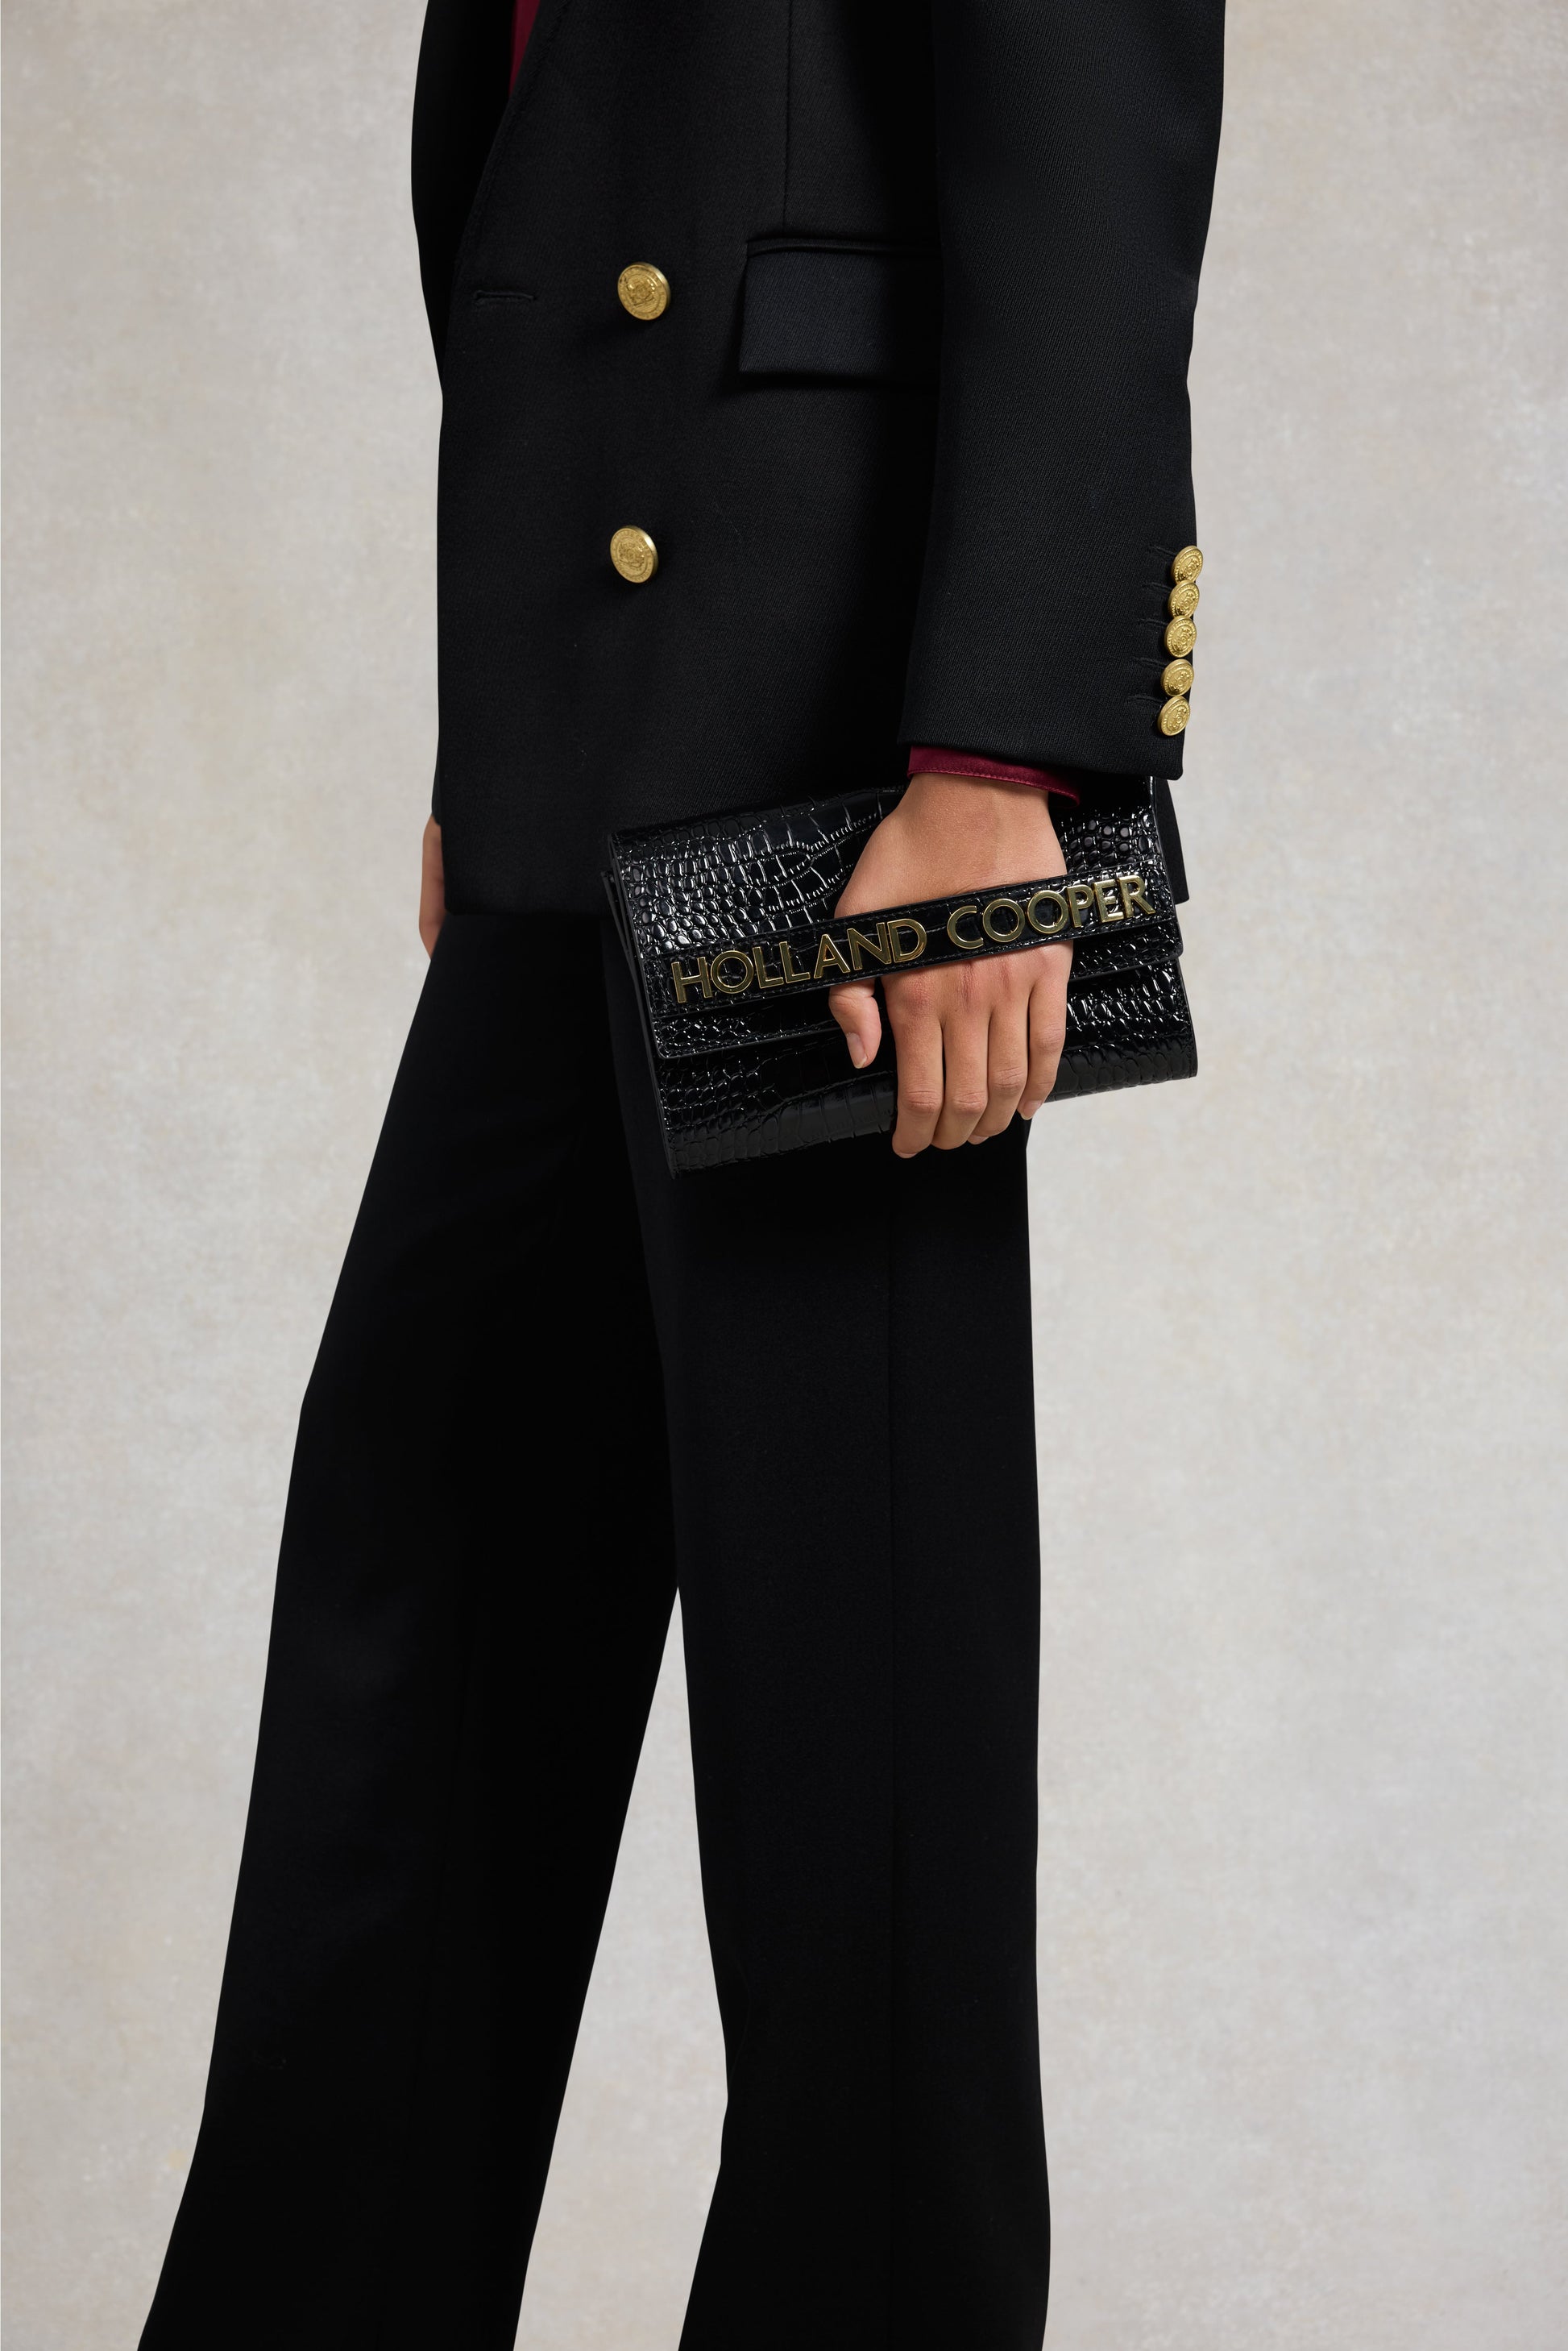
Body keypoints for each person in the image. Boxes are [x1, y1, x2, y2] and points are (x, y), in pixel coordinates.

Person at [139, 2, 1224, 2345]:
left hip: (845, 770)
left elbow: (1079, 116)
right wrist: (499, 727)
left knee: (856, 1758)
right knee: (415, 1651)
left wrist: (1005, 752)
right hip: (588, 722)